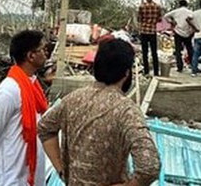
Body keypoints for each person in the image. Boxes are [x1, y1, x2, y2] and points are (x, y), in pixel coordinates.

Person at [38, 38, 161, 186]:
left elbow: (45, 127)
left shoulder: (73, 99)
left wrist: (61, 170)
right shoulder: (126, 110)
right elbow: (149, 167)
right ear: (127, 73)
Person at [0, 30, 53, 186]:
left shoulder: (33, 87)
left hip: (28, 176)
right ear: (31, 56)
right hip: (8, 177)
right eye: (43, 49)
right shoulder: (8, 91)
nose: (46, 53)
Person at [163, 0, 194, 73]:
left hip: (178, 32)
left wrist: (172, 22)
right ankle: (193, 65)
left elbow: (165, 16)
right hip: (188, 32)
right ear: (186, 5)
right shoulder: (190, 12)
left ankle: (179, 67)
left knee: (178, 50)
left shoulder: (176, 11)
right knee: (190, 49)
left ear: (179, 5)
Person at [138, 0, 162, 76]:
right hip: (152, 32)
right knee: (154, 52)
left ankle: (146, 71)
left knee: (145, 53)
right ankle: (156, 72)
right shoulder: (157, 6)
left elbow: (139, 19)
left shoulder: (141, 6)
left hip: (144, 31)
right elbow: (160, 19)